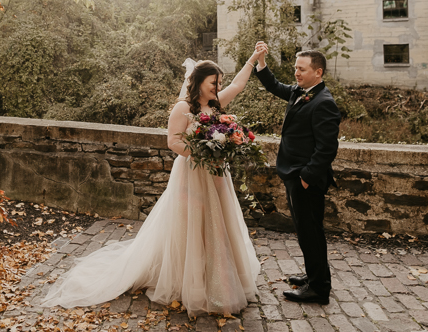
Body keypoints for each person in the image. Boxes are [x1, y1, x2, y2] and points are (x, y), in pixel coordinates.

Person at [40, 49, 266, 316]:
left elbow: (238, 85)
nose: (218, 87)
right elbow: (173, 141)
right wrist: (204, 152)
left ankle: (221, 280)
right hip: (193, 173)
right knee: (192, 224)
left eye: (219, 83)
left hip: (216, 176)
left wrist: (254, 59)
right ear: (199, 83)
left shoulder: (216, 105)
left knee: (218, 225)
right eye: (213, 83)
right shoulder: (184, 107)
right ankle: (191, 282)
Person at [253, 44, 341, 305]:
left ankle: (319, 289)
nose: (296, 73)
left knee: (310, 232)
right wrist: (261, 62)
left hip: (306, 179)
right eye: (295, 68)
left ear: (318, 72)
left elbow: (327, 149)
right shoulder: (302, 92)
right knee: (308, 232)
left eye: (301, 69)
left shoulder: (324, 103)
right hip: (295, 174)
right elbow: (275, 86)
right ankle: (316, 276)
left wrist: (306, 176)